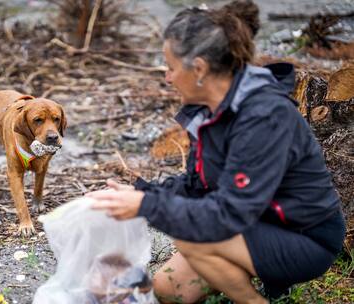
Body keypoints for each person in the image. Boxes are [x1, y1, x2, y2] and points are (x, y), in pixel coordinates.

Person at [86, 1, 346, 303]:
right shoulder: (210, 113)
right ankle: (249, 276)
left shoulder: (263, 115)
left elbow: (228, 213)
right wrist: (139, 192)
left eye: (170, 67)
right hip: (255, 225)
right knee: (170, 289)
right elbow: (198, 185)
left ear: (198, 68)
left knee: (193, 239)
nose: (167, 78)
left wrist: (145, 206)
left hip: (304, 238)